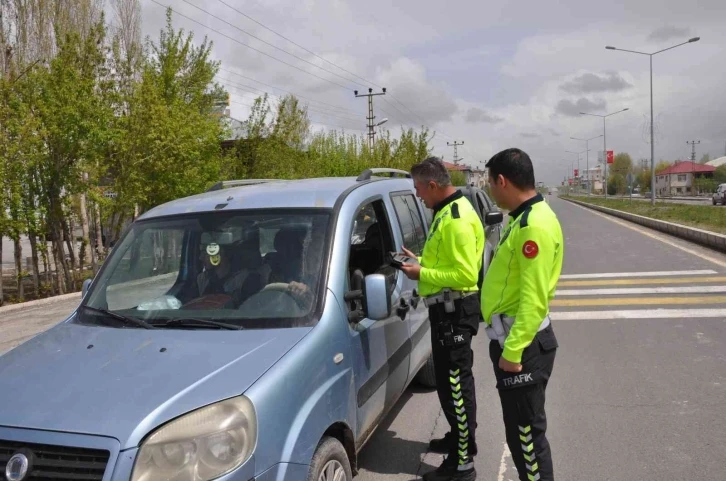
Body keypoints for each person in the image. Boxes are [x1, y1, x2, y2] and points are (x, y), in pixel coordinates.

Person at [399, 156, 485, 481]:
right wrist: (420, 261)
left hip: (456, 310)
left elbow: (464, 274)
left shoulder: (457, 218)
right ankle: (458, 438)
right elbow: (445, 260)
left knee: (456, 385)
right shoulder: (446, 210)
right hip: (445, 308)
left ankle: (462, 465)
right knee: (451, 386)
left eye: (420, 189)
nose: (419, 196)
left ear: (433, 185)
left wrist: (422, 272)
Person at [481, 148, 563, 481]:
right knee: (520, 437)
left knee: (527, 441)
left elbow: (533, 299)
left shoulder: (533, 226)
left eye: (490, 183)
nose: (489, 190)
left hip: (522, 347)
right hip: (514, 341)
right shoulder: (521, 218)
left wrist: (512, 352)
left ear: (503, 181)